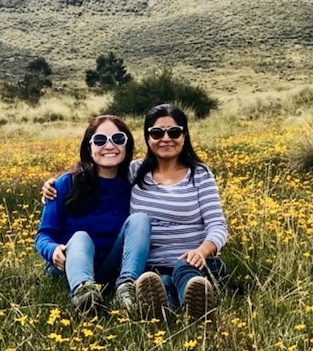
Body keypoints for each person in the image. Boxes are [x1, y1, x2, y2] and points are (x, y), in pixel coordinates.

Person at [43, 104, 228, 319]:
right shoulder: (136, 172)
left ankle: (187, 304)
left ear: (184, 136)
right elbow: (97, 170)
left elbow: (217, 224)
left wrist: (203, 251)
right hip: (149, 264)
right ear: (148, 138)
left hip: (189, 260)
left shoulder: (200, 174)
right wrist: (53, 185)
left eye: (174, 132)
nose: (166, 138)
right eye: (157, 133)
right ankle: (159, 306)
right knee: (158, 280)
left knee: (181, 272)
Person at [34, 115, 151, 312]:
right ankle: (84, 293)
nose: (109, 145)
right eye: (100, 140)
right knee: (80, 237)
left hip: (109, 267)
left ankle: (126, 288)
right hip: (69, 265)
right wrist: (53, 250)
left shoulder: (134, 183)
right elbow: (43, 235)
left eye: (118, 139)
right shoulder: (65, 184)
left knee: (140, 219)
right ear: (89, 148)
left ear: (127, 145)